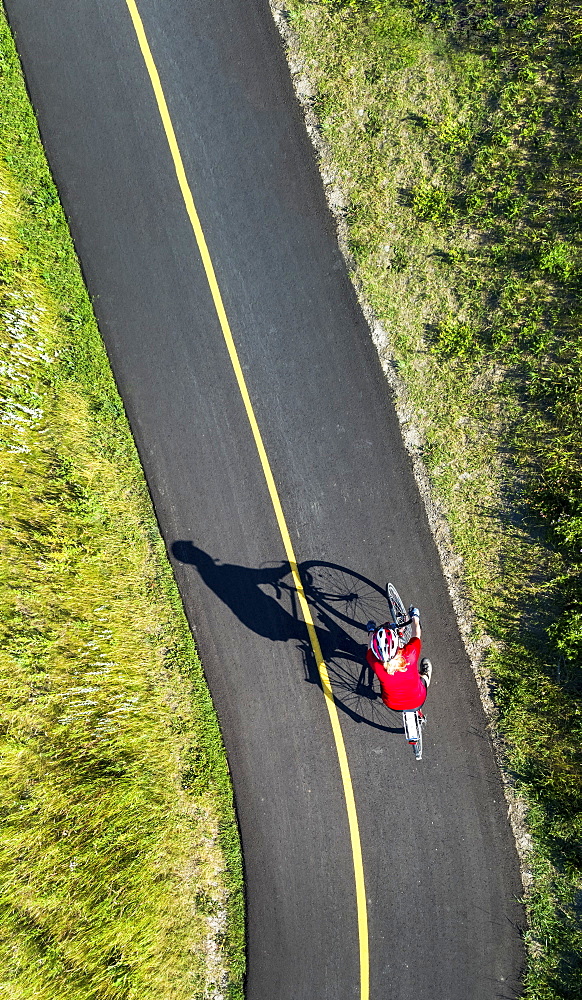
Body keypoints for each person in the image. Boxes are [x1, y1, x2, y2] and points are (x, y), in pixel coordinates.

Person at [365, 606, 432, 711]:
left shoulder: (374, 662)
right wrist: (415, 618)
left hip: (393, 705)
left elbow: (369, 646)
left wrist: (371, 631)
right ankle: (425, 674)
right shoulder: (410, 655)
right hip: (418, 700)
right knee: (423, 678)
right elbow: (416, 633)